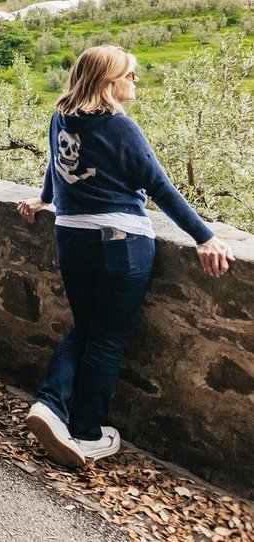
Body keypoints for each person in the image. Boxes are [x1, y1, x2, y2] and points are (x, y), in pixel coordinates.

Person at [16, 45, 232, 468]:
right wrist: (204, 236)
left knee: (87, 328)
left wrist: (45, 200)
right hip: (120, 241)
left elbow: (57, 165)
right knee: (109, 337)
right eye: (130, 74)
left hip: (71, 236)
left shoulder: (61, 115)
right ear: (107, 81)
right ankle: (87, 432)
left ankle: (49, 403)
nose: (136, 81)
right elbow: (159, 186)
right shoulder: (120, 127)